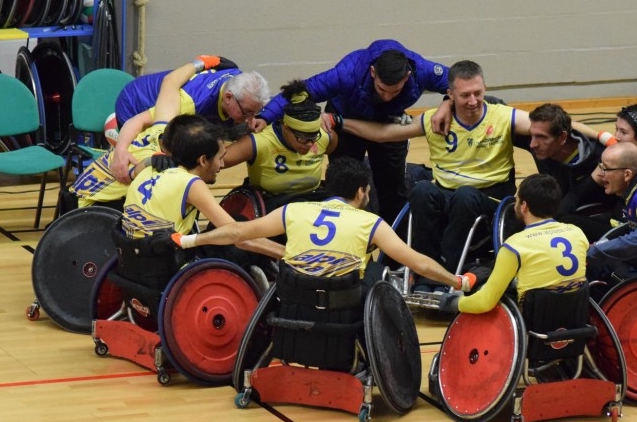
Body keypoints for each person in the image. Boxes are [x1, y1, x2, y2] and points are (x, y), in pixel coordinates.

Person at [341, 60, 531, 288]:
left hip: (488, 198)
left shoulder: (503, 116)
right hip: (447, 193)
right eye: (465, 95)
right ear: (450, 95)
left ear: (485, 89)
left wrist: (583, 131)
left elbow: (545, 124)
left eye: (478, 93)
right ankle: (424, 269)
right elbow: (384, 134)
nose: (473, 101)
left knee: (465, 195)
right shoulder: (434, 120)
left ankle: (446, 273)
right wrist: (340, 121)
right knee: (421, 189)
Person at [170, 156, 473, 295]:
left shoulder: (293, 210)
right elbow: (418, 262)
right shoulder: (371, 223)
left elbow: (236, 232)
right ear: (361, 192)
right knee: (378, 274)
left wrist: (190, 241)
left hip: (295, 296)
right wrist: (456, 281)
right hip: (344, 302)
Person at [258, 40, 450, 225]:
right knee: (345, 187)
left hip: (388, 124)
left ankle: (393, 251)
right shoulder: (347, 72)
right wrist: (265, 117)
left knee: (393, 190)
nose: (387, 96)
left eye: (395, 91)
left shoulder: (421, 70)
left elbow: (458, 83)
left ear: (407, 76)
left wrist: (446, 103)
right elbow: (302, 90)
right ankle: (344, 237)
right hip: (344, 125)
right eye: (382, 89)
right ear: (373, 72)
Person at [119, 115, 283, 264]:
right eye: (220, 158)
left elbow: (131, 174)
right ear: (203, 160)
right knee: (240, 242)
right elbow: (238, 236)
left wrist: (150, 160)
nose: (222, 165)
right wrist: (288, 255)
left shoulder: (149, 168)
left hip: (131, 258)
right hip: (166, 265)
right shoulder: (191, 184)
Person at [437, 174, 589, 315]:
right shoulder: (578, 233)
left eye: (516, 200)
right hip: (574, 317)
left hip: (535, 320)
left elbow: (484, 302)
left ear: (524, 206)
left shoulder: (515, 245)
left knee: (484, 291)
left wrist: (453, 303)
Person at [109, 57, 272, 184]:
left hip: (181, 104)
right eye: (246, 113)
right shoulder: (190, 102)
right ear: (228, 97)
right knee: (162, 163)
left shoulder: (239, 81)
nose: (249, 119)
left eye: (255, 113)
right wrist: (121, 151)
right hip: (135, 103)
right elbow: (137, 121)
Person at [221, 80, 338, 212]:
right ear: (286, 128)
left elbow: (330, 145)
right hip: (271, 206)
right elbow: (217, 160)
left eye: (313, 137)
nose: (310, 144)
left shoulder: (327, 137)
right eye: (303, 138)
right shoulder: (259, 142)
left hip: (312, 201)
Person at [518, 103, 614, 218]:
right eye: (532, 135)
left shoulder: (601, 158)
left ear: (562, 138)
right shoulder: (541, 145)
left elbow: (571, 201)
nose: (532, 144)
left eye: (541, 137)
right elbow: (503, 116)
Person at [561, 141, 637, 241]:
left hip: (624, 245)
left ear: (627, 174)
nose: (600, 174)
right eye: (601, 166)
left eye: (606, 169)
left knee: (566, 221)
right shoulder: (630, 186)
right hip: (618, 227)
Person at [573, 103, 637, 158]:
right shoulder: (617, 144)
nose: (616, 136)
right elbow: (571, 124)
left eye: (624, 132)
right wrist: (596, 135)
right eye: (617, 129)